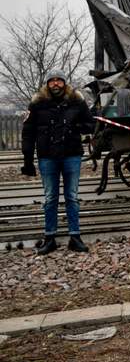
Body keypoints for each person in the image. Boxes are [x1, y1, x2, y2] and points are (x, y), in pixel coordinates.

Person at [21, 69, 94, 255]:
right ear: (47, 84)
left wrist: (76, 127)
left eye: (59, 80)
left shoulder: (76, 101)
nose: (55, 84)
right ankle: (50, 238)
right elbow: (28, 133)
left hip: (71, 155)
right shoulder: (37, 104)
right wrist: (27, 161)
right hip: (47, 157)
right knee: (50, 198)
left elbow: (90, 124)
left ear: (64, 82)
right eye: (52, 81)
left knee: (72, 197)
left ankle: (75, 237)